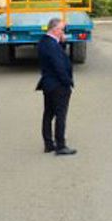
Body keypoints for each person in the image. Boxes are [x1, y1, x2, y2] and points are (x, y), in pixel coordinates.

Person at [36, 17, 76, 156]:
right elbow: (58, 65)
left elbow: (58, 55)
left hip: (48, 84)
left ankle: (48, 144)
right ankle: (60, 146)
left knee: (48, 114)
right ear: (54, 29)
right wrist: (67, 82)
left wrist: (62, 42)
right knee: (60, 115)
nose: (63, 32)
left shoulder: (45, 41)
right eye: (61, 29)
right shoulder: (51, 45)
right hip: (58, 85)